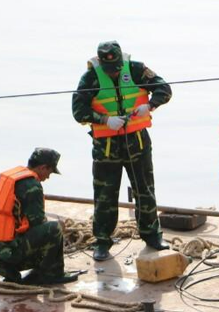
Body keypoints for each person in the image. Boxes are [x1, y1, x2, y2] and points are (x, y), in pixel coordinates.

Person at [72, 40, 172, 261]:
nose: (114, 73)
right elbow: (78, 111)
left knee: (145, 190)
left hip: (137, 142)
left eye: (116, 68)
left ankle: (152, 236)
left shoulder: (136, 69)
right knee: (105, 196)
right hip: (106, 147)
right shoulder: (90, 78)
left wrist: (151, 104)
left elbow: (164, 88)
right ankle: (102, 241)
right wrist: (104, 119)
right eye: (110, 70)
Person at [0, 148, 78, 285]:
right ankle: (52, 274)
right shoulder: (32, 186)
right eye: (49, 172)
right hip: (14, 252)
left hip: (1, 251)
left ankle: (10, 269)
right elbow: (37, 223)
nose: (48, 177)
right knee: (55, 229)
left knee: (45, 231)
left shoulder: (14, 178)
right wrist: (58, 227)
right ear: (43, 167)